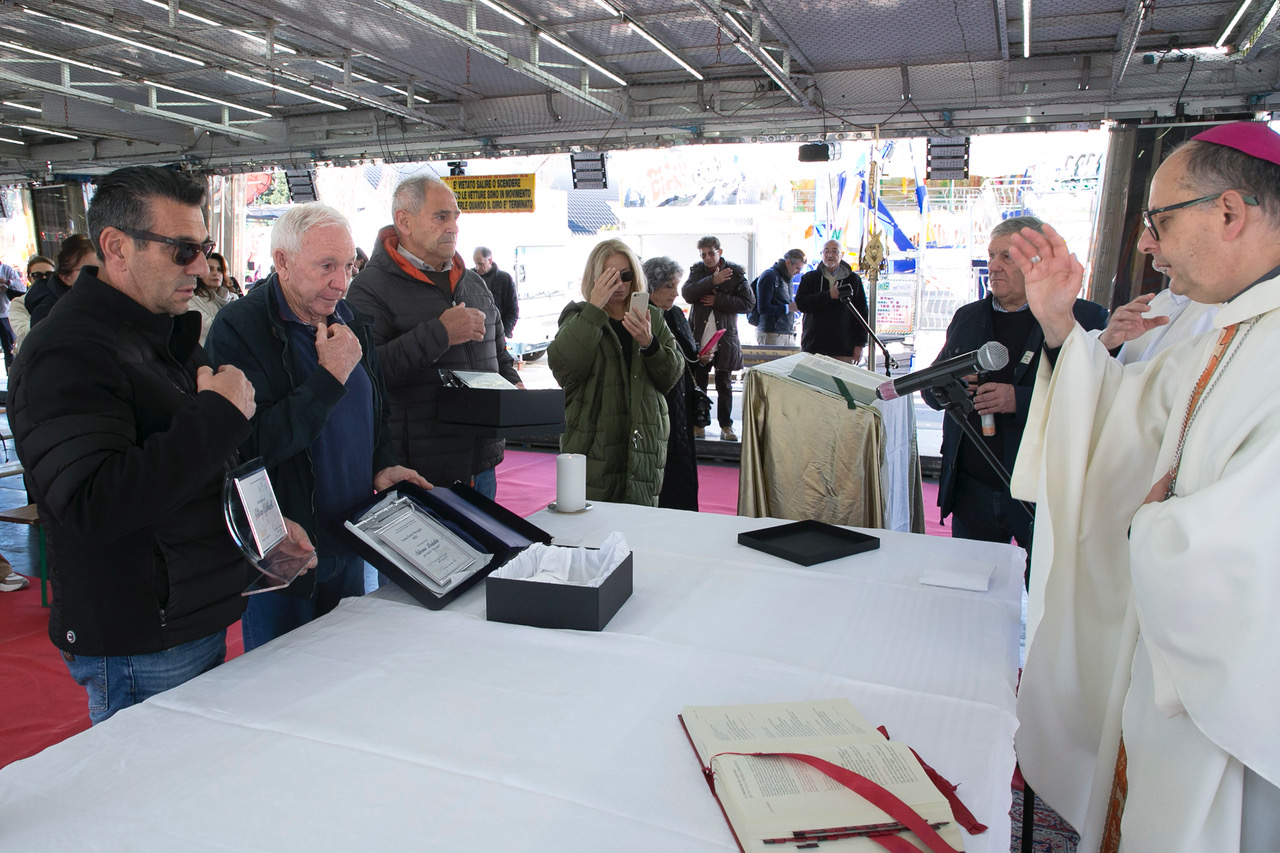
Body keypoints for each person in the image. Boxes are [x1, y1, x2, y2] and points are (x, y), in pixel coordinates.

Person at [1008, 121, 1280, 852]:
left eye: (1161, 221)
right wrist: (1061, 323)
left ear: (1229, 213)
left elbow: (1250, 560)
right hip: (1171, 681)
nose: (1147, 244)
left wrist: (1147, 527)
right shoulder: (1231, 328)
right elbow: (1123, 423)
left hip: (1229, 707)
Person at [8, 165, 315, 724]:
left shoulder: (160, 335)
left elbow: (199, 469)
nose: (199, 267)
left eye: (202, 248)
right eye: (181, 250)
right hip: (141, 639)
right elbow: (94, 504)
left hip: (187, 616)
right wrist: (221, 414)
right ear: (115, 247)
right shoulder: (69, 354)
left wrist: (260, 529)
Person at [206, 203, 426, 652]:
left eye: (348, 266)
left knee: (343, 673)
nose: (341, 282)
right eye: (326, 266)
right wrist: (329, 379)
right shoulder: (241, 328)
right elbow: (249, 444)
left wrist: (382, 466)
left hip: (351, 535)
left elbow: (375, 413)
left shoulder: (350, 320)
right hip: (288, 548)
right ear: (282, 262)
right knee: (280, 686)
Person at [922, 216, 1106, 573]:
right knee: (970, 592)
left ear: (1037, 261)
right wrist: (952, 388)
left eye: (1007, 257)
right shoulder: (967, 317)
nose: (994, 266)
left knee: (1045, 595)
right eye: (991, 256)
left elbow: (1099, 399)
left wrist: (1018, 400)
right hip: (972, 489)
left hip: (1044, 493)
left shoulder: (1082, 317)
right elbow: (931, 390)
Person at [347, 175, 520, 501]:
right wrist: (439, 334)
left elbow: (499, 353)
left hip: (482, 463)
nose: (453, 226)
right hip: (419, 471)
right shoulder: (369, 288)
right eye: (441, 216)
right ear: (405, 222)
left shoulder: (472, 283)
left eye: (455, 216)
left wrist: (516, 390)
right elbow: (365, 374)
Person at [548, 239, 682, 506]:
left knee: (638, 526)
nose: (619, 284)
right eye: (609, 277)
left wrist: (649, 343)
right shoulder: (578, 317)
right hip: (593, 437)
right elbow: (564, 367)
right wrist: (594, 310)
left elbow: (670, 376)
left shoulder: (651, 317)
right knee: (590, 529)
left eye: (626, 275)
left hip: (643, 437)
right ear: (594, 279)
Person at [681, 236, 754, 441]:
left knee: (725, 384)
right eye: (703, 254)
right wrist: (712, 281)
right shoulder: (697, 271)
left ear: (719, 252)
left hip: (725, 338)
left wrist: (718, 300)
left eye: (711, 253)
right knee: (700, 383)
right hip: (700, 337)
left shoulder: (736, 273)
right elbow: (687, 294)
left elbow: (748, 304)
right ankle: (699, 423)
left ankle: (726, 426)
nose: (707, 258)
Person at [643, 255, 699, 511]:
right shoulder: (642, 318)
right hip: (656, 405)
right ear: (651, 287)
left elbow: (691, 356)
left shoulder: (675, 314)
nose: (676, 293)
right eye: (669, 287)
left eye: (677, 285)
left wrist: (703, 356)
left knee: (683, 470)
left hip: (681, 402)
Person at [795, 240, 869, 363]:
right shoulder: (809, 278)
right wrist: (828, 295)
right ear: (821, 254)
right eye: (826, 251)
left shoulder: (853, 279)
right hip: (813, 346)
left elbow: (862, 314)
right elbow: (801, 304)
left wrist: (859, 345)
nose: (830, 255)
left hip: (843, 347)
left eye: (834, 251)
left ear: (842, 254)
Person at [25, 234, 94, 330]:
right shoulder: (47, 312)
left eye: (104, 268)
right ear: (66, 277)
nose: (100, 275)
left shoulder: (92, 297)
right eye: (90, 270)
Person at [755, 249, 805, 345]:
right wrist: (788, 308)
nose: (798, 272)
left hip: (786, 332)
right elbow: (763, 308)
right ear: (788, 262)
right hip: (771, 333)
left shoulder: (788, 278)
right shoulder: (769, 276)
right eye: (797, 268)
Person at [9, 254, 54, 355]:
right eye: (37, 275)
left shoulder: (64, 298)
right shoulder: (19, 303)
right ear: (29, 278)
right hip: (33, 358)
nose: (44, 279)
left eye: (49, 275)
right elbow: (23, 333)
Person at [189, 251, 235, 345]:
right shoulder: (192, 299)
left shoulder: (233, 298)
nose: (216, 273)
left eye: (219, 270)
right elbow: (211, 327)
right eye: (210, 269)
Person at [473, 246, 519, 340]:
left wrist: (504, 333)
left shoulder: (504, 279)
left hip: (498, 334)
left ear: (490, 260)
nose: (477, 267)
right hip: (476, 336)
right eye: (475, 263)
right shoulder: (470, 278)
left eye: (481, 264)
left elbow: (513, 310)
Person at [0, 258, 24, 369]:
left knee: (9, 347)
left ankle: (11, 376)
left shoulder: (6, 269)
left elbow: (20, 286)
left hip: (4, 313)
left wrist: (7, 283)